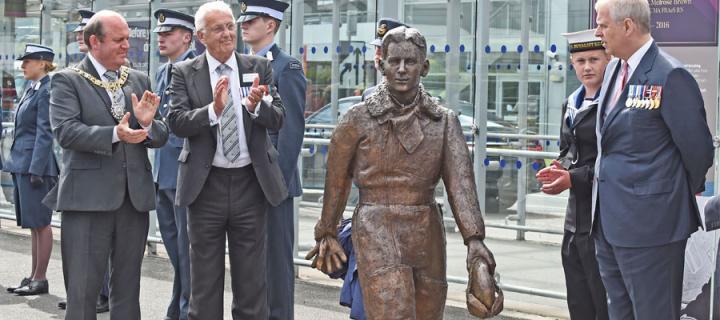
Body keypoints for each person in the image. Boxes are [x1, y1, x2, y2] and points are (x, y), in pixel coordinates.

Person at [306, 26, 502, 319]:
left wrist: (474, 241)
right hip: (377, 225)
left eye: (409, 62)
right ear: (381, 64)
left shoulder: (444, 122)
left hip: (427, 232)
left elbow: (461, 185)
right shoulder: (357, 119)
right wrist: (327, 232)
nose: (401, 69)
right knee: (391, 312)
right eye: (394, 61)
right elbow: (336, 180)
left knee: (428, 313)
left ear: (424, 67)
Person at [592, 0, 714, 318]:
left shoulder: (670, 76)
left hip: (652, 228)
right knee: (620, 312)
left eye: (603, 25)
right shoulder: (613, 72)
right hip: (608, 224)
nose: (597, 32)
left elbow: (698, 150)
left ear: (628, 26)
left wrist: (667, 196)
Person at [43, 10, 168, 320]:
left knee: (128, 291)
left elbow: (161, 133)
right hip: (87, 201)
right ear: (94, 42)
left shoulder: (137, 79)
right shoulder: (67, 80)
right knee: (83, 292)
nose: (127, 45)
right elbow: (66, 131)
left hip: (132, 201)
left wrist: (147, 125)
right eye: (119, 40)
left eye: (127, 38)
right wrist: (115, 133)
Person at [166, 2, 285, 319]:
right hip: (206, 187)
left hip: (250, 184)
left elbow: (278, 119)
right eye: (219, 28)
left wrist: (257, 107)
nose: (229, 33)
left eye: (231, 26)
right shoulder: (183, 72)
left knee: (252, 283)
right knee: (204, 284)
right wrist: (212, 112)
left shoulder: (257, 67)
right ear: (201, 36)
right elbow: (176, 121)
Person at [237, 1, 306, 319]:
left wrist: (274, 183)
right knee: (249, 264)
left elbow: (290, 132)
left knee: (276, 266)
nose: (243, 25)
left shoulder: (286, 67)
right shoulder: (240, 65)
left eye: (251, 20)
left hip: (272, 182)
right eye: (243, 19)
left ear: (271, 24)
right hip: (242, 181)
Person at [536, 29, 609, 320]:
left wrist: (572, 178)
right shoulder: (572, 102)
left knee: (602, 300)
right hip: (574, 218)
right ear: (572, 64)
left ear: (608, 60)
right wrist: (558, 168)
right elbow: (568, 149)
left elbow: (614, 161)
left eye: (594, 59)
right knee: (578, 299)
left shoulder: (612, 103)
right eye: (580, 61)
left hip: (602, 217)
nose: (587, 67)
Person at [57, 9, 111, 313]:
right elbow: (65, 131)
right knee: (83, 270)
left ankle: (103, 293)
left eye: (83, 33)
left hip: (117, 184)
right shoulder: (70, 78)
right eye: (77, 34)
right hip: (84, 185)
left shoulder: (124, 76)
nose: (79, 38)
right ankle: (95, 294)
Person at [4, 44, 59, 296]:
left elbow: (44, 133)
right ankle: (35, 275)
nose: (23, 65)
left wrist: (36, 169)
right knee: (34, 224)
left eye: (27, 61)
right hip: (23, 164)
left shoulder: (47, 90)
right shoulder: (32, 88)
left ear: (42, 63)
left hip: (36, 167)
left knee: (41, 223)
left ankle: (40, 278)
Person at [152, 8, 196, 320]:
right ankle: (178, 304)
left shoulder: (197, 69)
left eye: (168, 33)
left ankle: (187, 309)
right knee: (174, 248)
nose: (161, 38)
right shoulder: (160, 71)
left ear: (187, 37)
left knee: (188, 250)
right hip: (162, 172)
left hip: (186, 171)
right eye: (159, 34)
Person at [361, 18, 408, 101]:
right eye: (377, 47)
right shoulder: (368, 95)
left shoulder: (416, 97)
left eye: (383, 48)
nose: (377, 52)